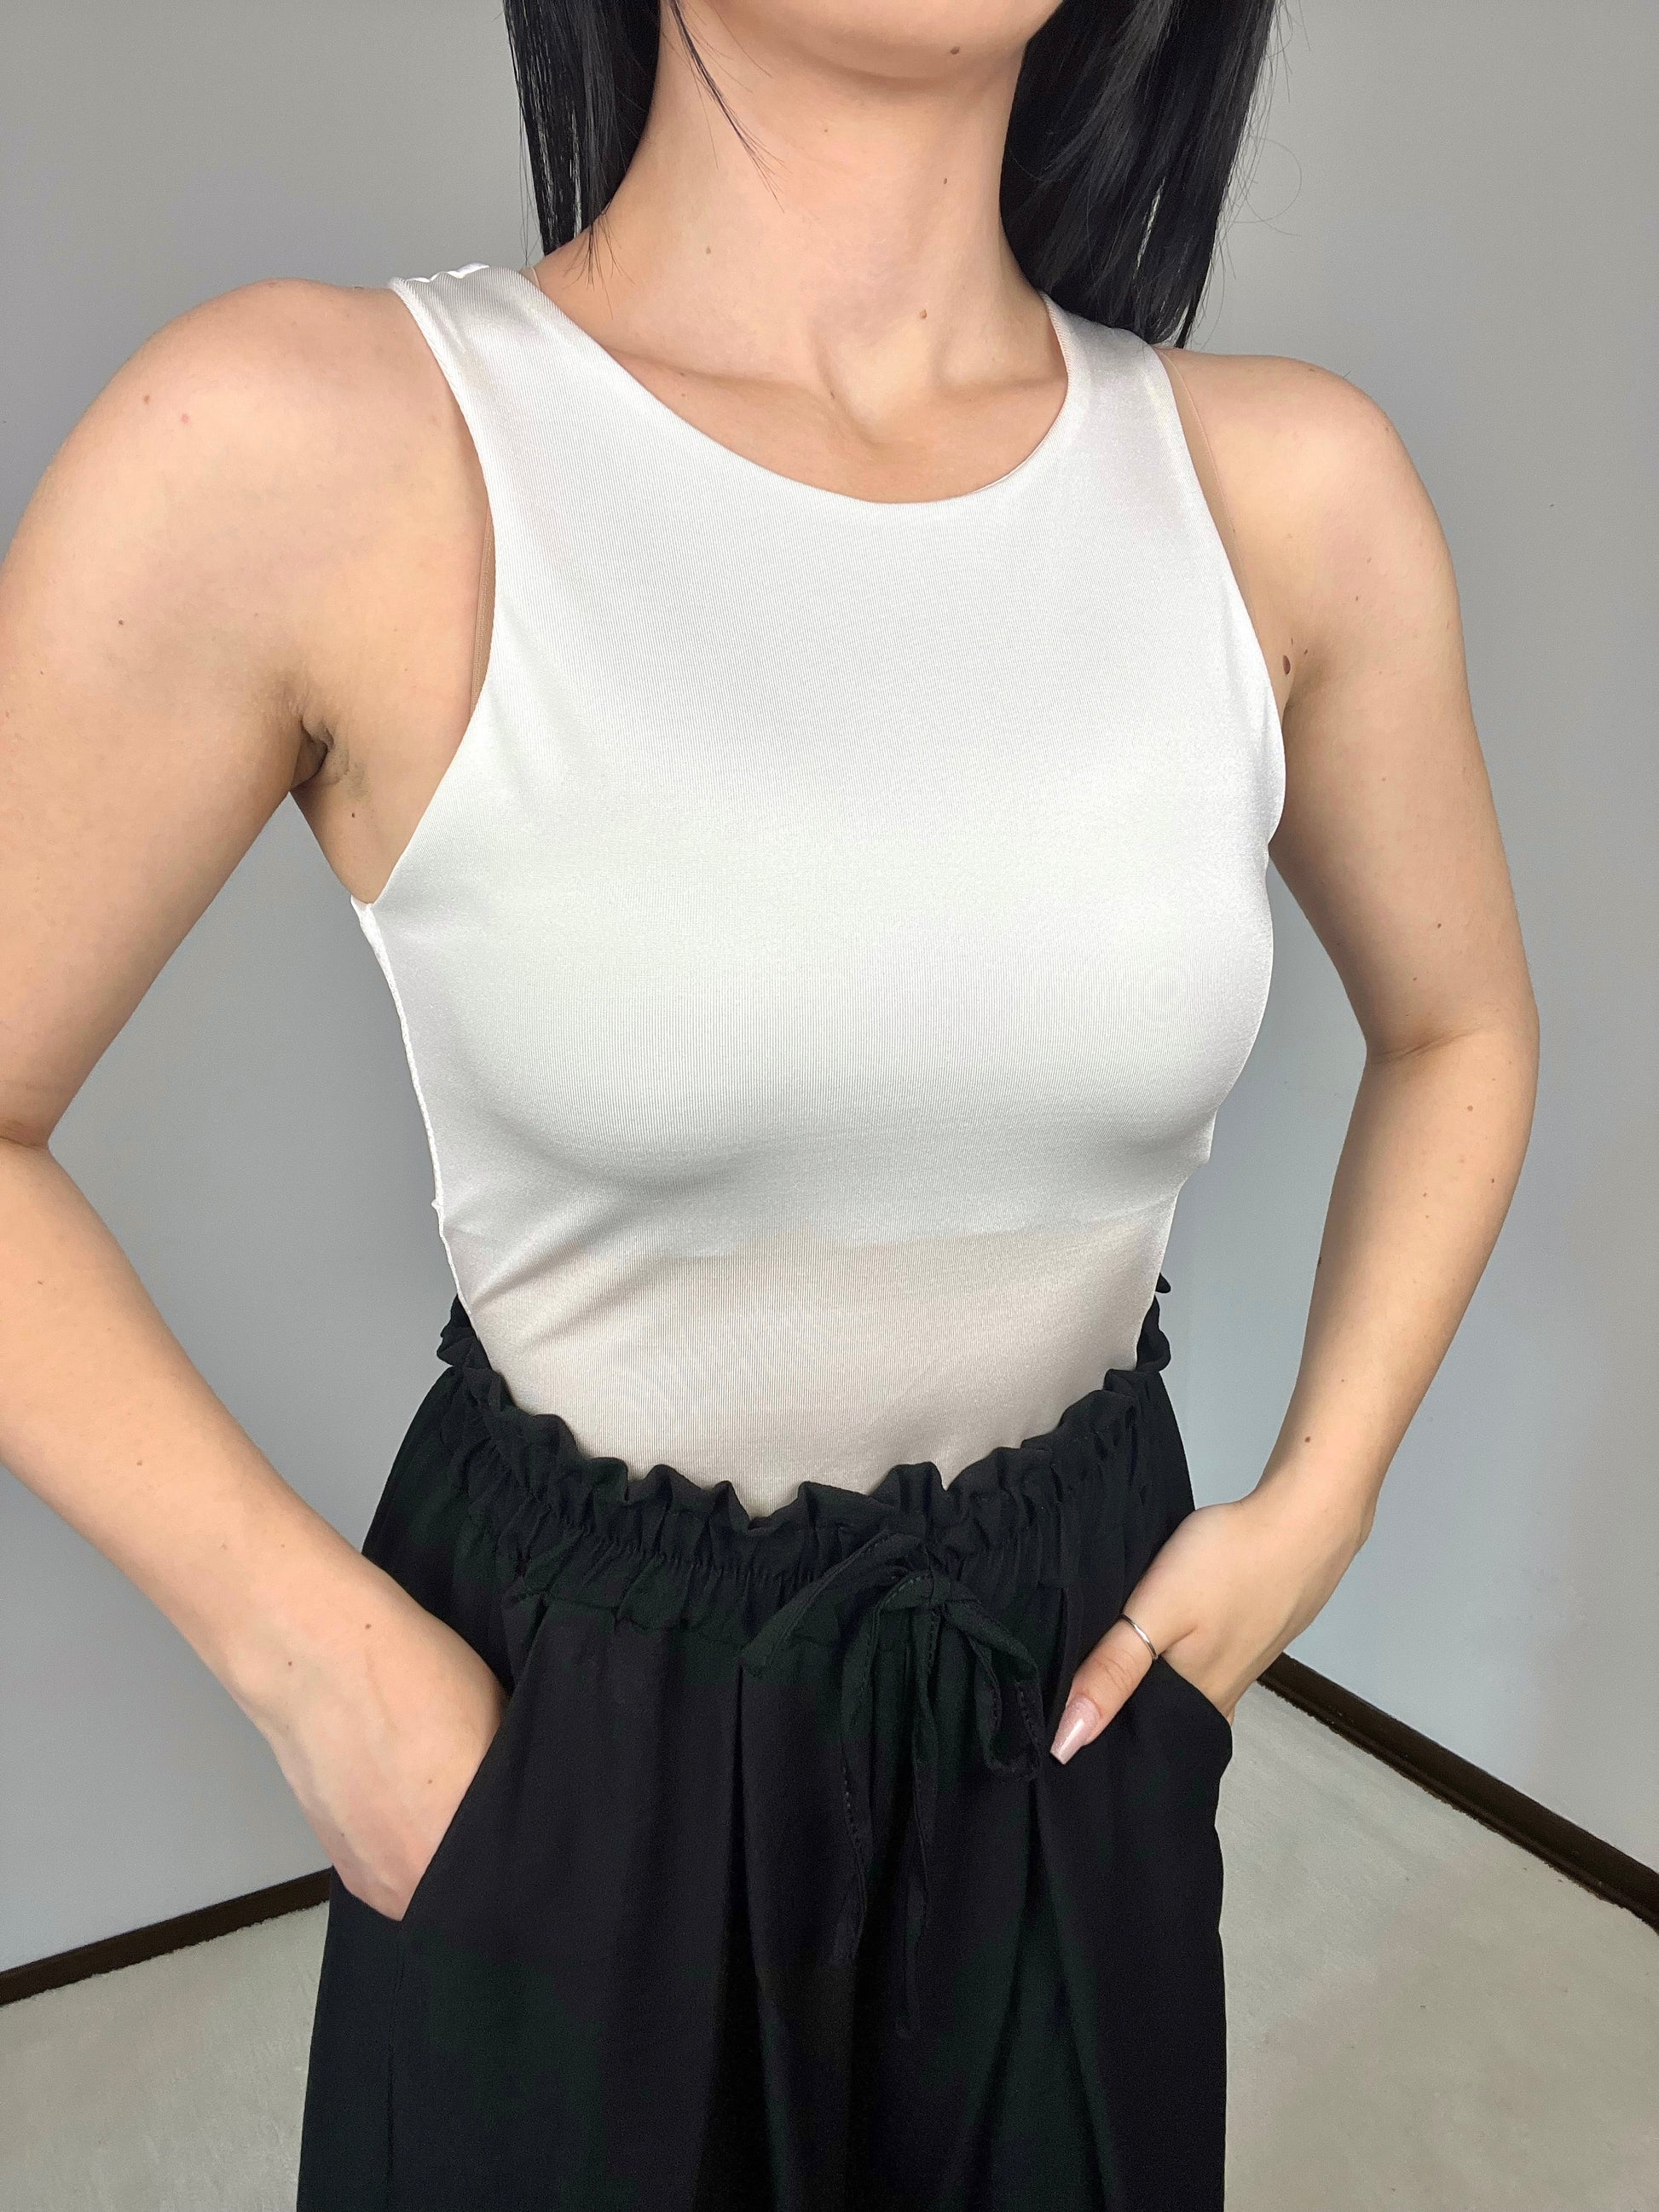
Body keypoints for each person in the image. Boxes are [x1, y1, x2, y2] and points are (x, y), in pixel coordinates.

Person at [0, 1, 1540, 2207]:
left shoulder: (1284, 490)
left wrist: (1323, 1500)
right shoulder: (322, 442)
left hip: (1066, 1687)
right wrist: (312, 1657)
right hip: (567, 1733)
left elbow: (1462, 1025)